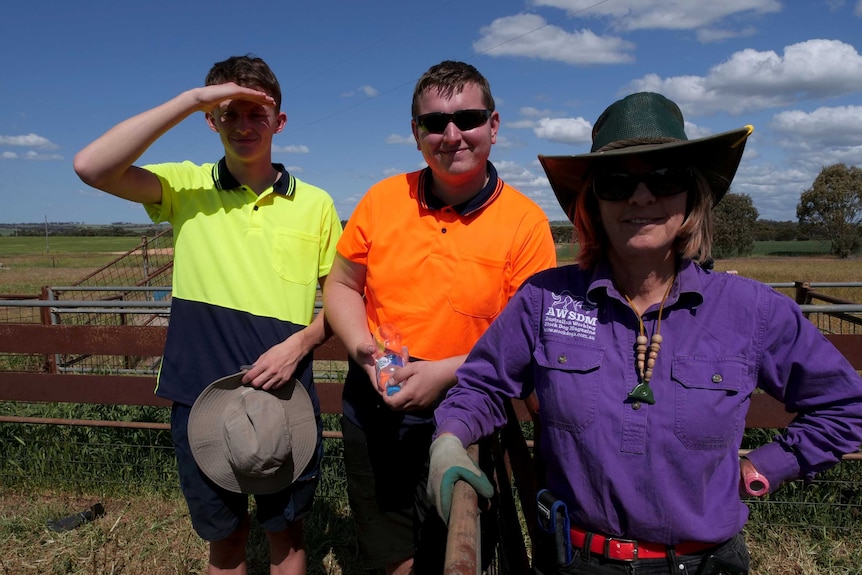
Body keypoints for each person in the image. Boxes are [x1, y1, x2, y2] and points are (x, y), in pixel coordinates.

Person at [429, 92, 862, 574]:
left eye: (665, 178)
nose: (641, 197)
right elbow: (481, 387)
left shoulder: (751, 310)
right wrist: (450, 438)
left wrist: (766, 467)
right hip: (575, 562)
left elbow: (845, 404)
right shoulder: (545, 300)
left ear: (692, 194)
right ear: (592, 200)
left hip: (704, 565)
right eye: (616, 182)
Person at [74, 54, 342, 575]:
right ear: (211, 119)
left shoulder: (317, 205)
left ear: (279, 122)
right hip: (201, 395)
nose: (243, 125)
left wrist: (300, 344)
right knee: (227, 539)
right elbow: (91, 166)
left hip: (284, 396)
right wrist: (194, 97)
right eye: (228, 112)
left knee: (286, 536)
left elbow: (341, 303)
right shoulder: (185, 186)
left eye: (256, 114)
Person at [322, 60, 557, 575]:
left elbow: (530, 337)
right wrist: (363, 347)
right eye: (433, 123)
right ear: (416, 133)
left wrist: (444, 372)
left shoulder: (524, 223)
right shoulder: (382, 201)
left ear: (493, 126)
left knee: (461, 546)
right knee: (387, 547)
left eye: (468, 118)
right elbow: (340, 285)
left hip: (469, 403)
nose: (451, 135)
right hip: (376, 395)